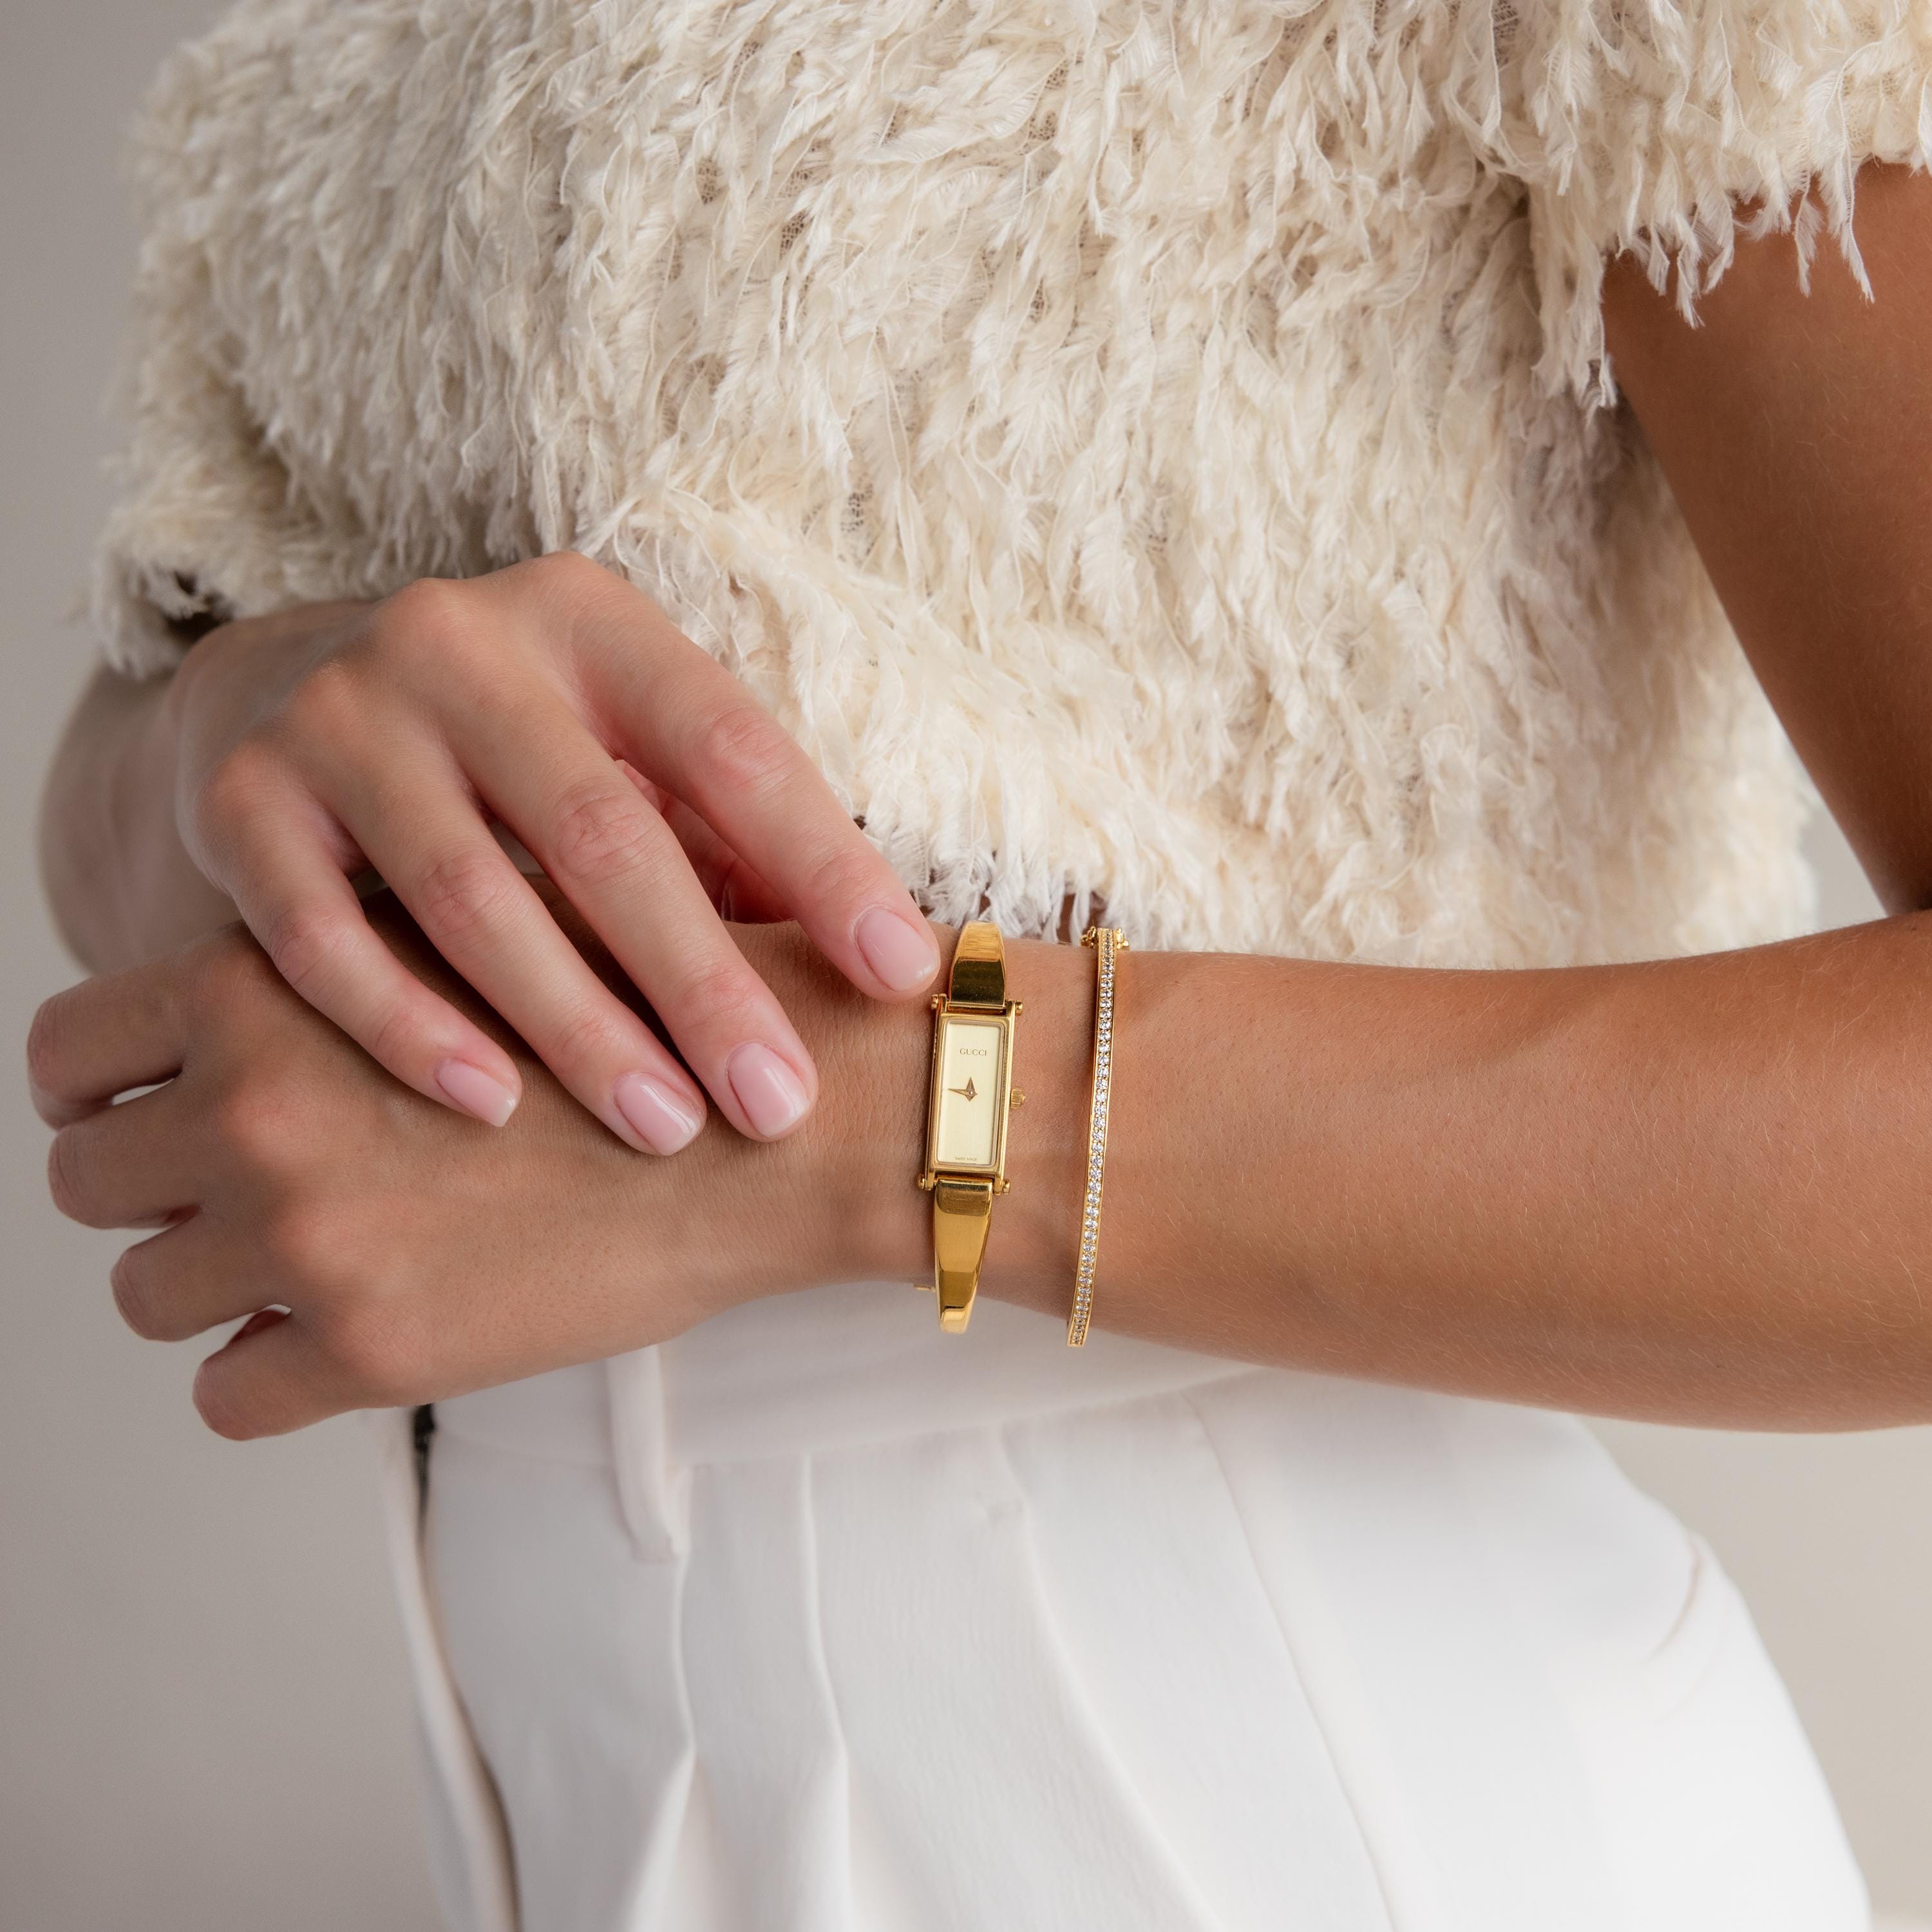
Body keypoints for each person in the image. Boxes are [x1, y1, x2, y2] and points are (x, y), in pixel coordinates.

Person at [28, 3, 1932, 1927]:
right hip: (558, 1762)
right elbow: (126, 761)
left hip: (1252, 1770)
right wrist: (230, 729)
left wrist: (852, 1129)